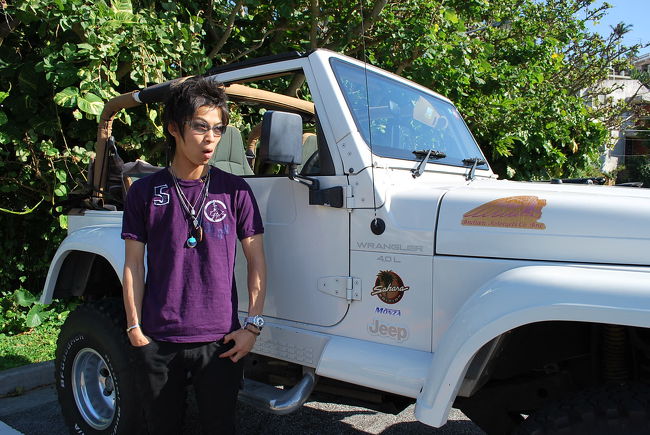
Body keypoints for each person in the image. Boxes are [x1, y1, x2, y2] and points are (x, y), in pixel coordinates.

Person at [121, 76, 266, 435]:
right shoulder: (144, 192)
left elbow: (256, 261)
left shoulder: (235, 191)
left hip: (221, 341)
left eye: (218, 129)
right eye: (200, 127)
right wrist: (134, 329)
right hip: (158, 339)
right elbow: (133, 264)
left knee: (221, 427)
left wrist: (252, 327)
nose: (210, 138)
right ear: (174, 128)